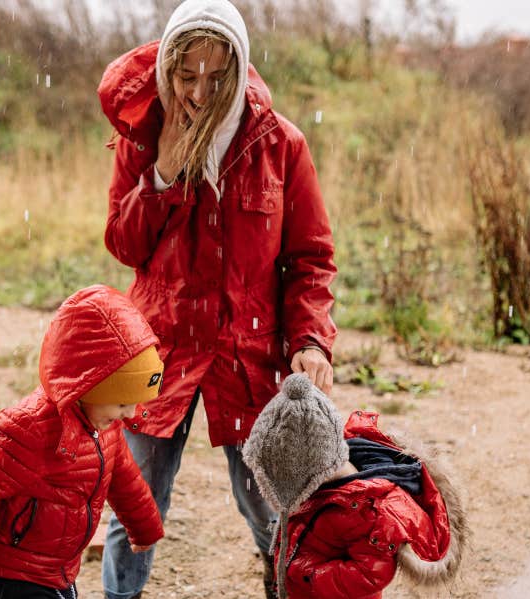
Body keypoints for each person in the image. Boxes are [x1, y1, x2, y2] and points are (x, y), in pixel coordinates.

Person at [97, 0, 338, 596]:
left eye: (215, 75)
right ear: (167, 69)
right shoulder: (142, 137)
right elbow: (124, 246)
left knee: (271, 507)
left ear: (238, 67)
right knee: (134, 512)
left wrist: (310, 340)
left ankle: (283, 588)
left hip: (247, 355)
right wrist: (160, 178)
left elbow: (309, 258)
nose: (200, 93)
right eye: (186, 76)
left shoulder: (281, 144)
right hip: (160, 350)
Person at [0, 285, 166, 599]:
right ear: (87, 386)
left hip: (57, 566)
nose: (129, 414)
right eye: (121, 403)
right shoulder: (29, 427)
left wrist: (145, 527)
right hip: (12, 566)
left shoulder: (104, 426)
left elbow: (125, 482)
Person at [242, 374, 466, 598]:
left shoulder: (366, 510)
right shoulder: (316, 487)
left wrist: (308, 575)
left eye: (280, 476)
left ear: (308, 468)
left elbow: (372, 573)